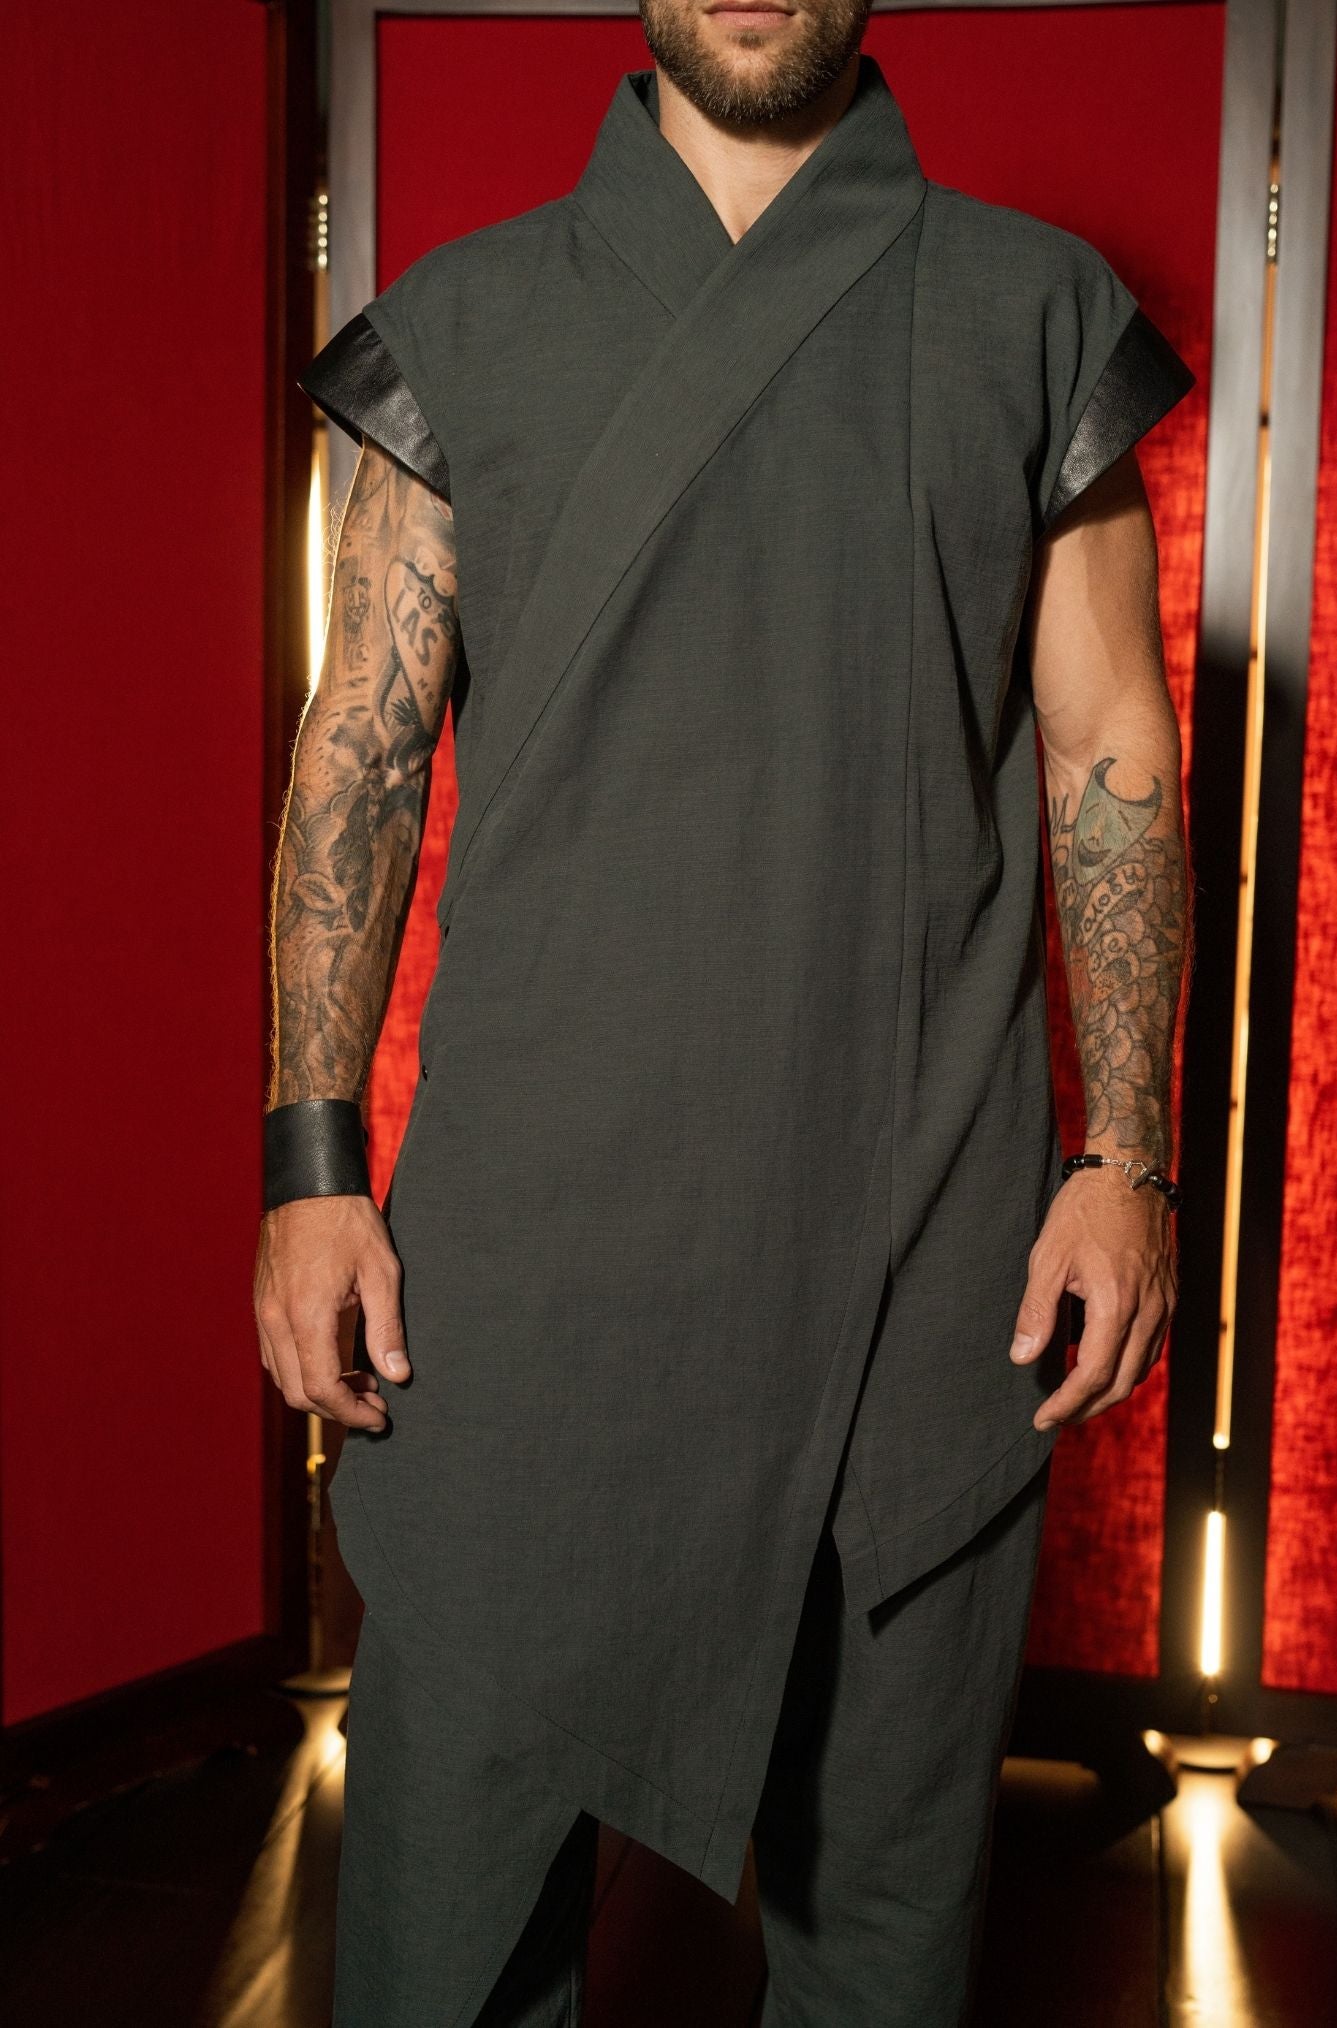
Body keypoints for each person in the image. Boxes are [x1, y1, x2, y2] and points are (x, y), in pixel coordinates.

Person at [253, 0, 1191, 2019]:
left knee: (883, 1957)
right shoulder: (462, 323)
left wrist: (1128, 1157)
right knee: (441, 1949)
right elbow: (359, 754)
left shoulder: (1032, 312)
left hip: (916, 1265)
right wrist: (311, 1168)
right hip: (523, 1284)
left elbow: (1111, 741)